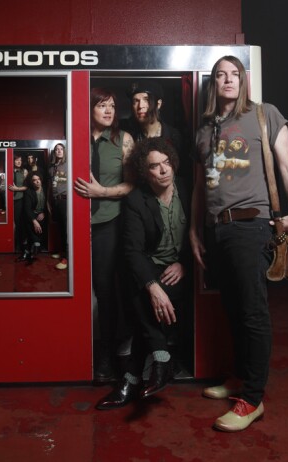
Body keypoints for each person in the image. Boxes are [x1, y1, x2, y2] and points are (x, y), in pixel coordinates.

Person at [190, 55, 288, 432]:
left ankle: (252, 399)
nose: (227, 80)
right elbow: (197, 186)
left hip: (250, 224)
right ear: (213, 84)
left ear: (244, 80)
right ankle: (240, 377)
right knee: (233, 309)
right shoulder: (205, 129)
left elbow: (286, 164)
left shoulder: (264, 114)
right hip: (216, 229)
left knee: (253, 312)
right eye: (220, 75)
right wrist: (194, 230)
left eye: (234, 74)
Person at [96, 137, 190, 409]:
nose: (164, 170)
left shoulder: (188, 189)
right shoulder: (137, 199)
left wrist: (185, 263)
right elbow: (132, 251)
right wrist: (152, 285)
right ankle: (162, 358)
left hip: (181, 270)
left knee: (142, 302)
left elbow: (200, 234)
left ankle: (131, 376)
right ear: (143, 171)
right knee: (138, 286)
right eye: (155, 166)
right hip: (152, 267)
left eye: (167, 163)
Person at [74, 88, 135, 385]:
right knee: (79, 292)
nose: (109, 111)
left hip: (108, 224)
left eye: (112, 106)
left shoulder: (124, 140)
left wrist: (102, 193)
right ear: (89, 109)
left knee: (105, 290)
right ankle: (76, 353)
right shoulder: (75, 137)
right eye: (102, 105)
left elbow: (133, 185)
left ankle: (106, 357)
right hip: (76, 226)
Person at [48, 143, 68, 270]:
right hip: (56, 201)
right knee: (60, 228)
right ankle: (62, 253)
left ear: (64, 151)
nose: (59, 151)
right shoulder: (51, 168)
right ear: (54, 153)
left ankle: (66, 258)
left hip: (66, 200)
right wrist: (49, 202)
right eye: (57, 150)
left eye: (61, 149)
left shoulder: (68, 164)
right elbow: (51, 186)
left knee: (67, 230)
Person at [20, 174, 46, 264]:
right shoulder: (29, 191)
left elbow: (49, 204)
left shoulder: (45, 189)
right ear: (32, 182)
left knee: (40, 224)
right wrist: (34, 221)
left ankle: (31, 248)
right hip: (32, 214)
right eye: (35, 180)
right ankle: (35, 244)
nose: (37, 181)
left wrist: (44, 213)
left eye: (39, 179)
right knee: (27, 221)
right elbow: (27, 208)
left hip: (42, 214)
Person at [9, 154, 30, 257]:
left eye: (20, 160)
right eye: (17, 160)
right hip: (9, 200)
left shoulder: (24, 171)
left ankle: (20, 246)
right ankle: (11, 245)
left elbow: (28, 187)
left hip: (20, 200)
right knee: (10, 223)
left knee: (18, 223)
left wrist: (17, 189)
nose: (19, 162)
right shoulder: (9, 170)